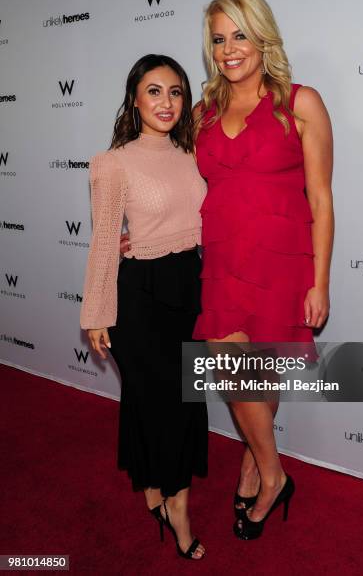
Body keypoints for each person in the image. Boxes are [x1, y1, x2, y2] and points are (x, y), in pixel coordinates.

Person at [192, 0, 334, 540]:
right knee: (231, 366)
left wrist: (320, 281)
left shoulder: (300, 103)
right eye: (219, 38)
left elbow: (321, 198)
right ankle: (274, 474)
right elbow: (187, 190)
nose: (229, 49)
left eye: (239, 35)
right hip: (223, 257)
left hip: (282, 258)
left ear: (262, 36)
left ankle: (253, 462)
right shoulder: (203, 112)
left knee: (263, 369)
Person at [80, 54, 208, 560]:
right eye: (154, 91)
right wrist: (96, 315)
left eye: (176, 91)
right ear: (134, 98)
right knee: (161, 403)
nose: (166, 102)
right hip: (139, 299)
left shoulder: (193, 155)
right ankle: (178, 507)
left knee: (179, 399)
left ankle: (154, 487)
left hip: (189, 286)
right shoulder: (113, 162)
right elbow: (104, 242)